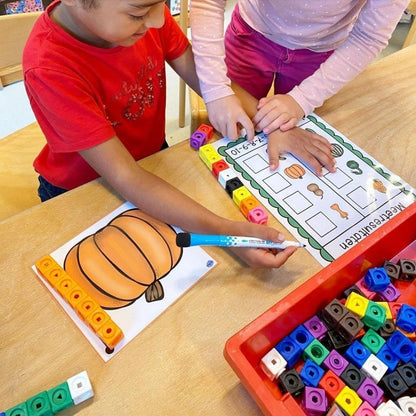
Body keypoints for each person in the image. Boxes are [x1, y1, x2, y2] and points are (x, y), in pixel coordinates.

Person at [23, 0, 297, 268]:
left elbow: (213, 87)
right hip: (82, 191)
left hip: (150, 162)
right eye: (138, 13)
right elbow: (125, 175)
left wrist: (271, 124)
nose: (158, 19)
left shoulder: (147, 11)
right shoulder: (48, 67)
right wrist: (223, 232)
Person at [190, 0, 408, 173]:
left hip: (320, 55)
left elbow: (368, 38)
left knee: (296, 141)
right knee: (232, 133)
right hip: (250, 36)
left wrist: (302, 100)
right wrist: (216, 89)